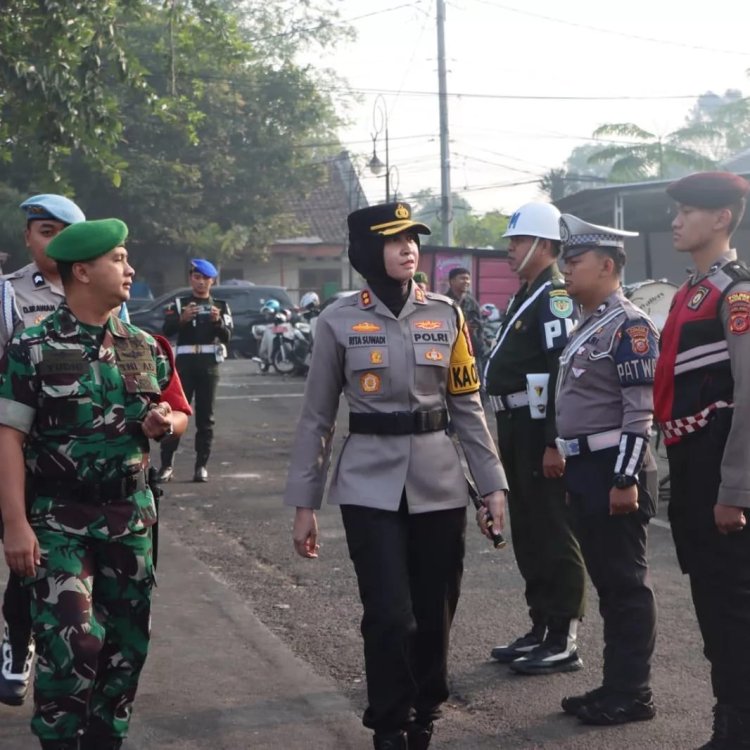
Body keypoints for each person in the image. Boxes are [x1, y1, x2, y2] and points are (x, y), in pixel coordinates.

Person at [284, 202, 508, 750]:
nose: (408, 247)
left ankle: (424, 712)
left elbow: (467, 406)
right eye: (394, 239)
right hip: (369, 484)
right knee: (388, 614)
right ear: (366, 252)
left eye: (413, 238)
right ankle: (388, 723)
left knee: (435, 612)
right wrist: (304, 503)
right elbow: (317, 418)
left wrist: (494, 485)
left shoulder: (447, 315)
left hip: (439, 481)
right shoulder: (337, 320)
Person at [0, 218, 188, 750]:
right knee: (74, 645)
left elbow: (177, 412)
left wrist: (164, 424)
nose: (130, 269)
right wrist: (15, 525)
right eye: (119, 259)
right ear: (81, 271)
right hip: (58, 523)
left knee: (126, 651)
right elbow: (7, 438)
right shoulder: (32, 348)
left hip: (130, 521)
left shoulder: (143, 345)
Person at [654, 171, 750, 749]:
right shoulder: (693, 290)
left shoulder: (736, 295)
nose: (676, 220)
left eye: (688, 210)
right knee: (714, 608)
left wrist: (736, 488)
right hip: (692, 470)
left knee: (733, 611)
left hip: (719, 472)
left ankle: (737, 730)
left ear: (722, 218)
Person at [554, 213, 659, 726]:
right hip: (587, 469)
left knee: (625, 584)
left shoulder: (631, 326)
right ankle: (615, 683)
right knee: (609, 586)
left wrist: (624, 479)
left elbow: (639, 413)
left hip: (615, 470)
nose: (565, 271)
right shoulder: (589, 324)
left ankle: (633, 693)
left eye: (574, 262)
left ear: (607, 265)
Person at [483, 201, 586, 675]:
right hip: (514, 425)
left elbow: (560, 370)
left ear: (544, 245)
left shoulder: (554, 295)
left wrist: (554, 441)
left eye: (518, 241)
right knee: (527, 526)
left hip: (537, 426)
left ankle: (564, 635)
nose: (510, 249)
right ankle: (541, 624)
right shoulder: (526, 292)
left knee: (551, 527)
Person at [0, 194, 85, 707]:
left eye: (61, 231)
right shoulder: (9, 295)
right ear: (28, 238)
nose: (49, 241)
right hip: (20, 446)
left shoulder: (93, 285)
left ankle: (62, 653)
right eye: (42, 231)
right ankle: (19, 640)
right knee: (25, 557)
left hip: (80, 450)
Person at [157, 259, 232, 483]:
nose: (201, 282)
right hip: (184, 365)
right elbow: (166, 330)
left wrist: (218, 323)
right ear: (191, 278)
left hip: (209, 364)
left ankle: (201, 466)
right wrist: (182, 319)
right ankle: (166, 465)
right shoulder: (179, 304)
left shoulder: (220, 305)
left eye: (205, 278)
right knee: (176, 413)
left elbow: (228, 336)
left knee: (206, 418)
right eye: (196, 277)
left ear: (212, 281)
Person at [445, 266, 483, 365]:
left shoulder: (472, 302)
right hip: (451, 352)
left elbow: (480, 328)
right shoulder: (444, 302)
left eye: (468, 279)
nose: (466, 281)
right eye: (462, 278)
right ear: (452, 281)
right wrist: (462, 326)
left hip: (471, 351)